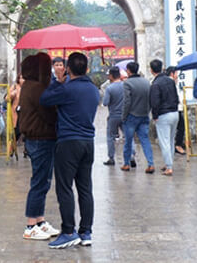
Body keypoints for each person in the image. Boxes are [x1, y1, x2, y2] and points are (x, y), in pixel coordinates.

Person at [39, 52, 99, 249]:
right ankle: (86, 231)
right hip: (88, 143)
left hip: (68, 142)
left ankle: (68, 231)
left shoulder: (67, 89)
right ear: (87, 69)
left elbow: (45, 99)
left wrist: (58, 80)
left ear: (68, 69)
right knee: (85, 187)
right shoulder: (93, 89)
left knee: (64, 187)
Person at [17, 53, 60, 241]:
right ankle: (30, 225)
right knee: (39, 182)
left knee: (43, 181)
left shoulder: (30, 86)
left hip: (40, 139)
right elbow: (48, 114)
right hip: (41, 139)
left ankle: (40, 221)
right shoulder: (37, 88)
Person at [120, 61, 155, 173]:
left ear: (128, 71)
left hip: (131, 116)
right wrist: (147, 111)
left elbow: (127, 101)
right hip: (144, 115)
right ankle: (150, 164)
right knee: (145, 140)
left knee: (128, 141)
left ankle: (126, 164)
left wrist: (124, 116)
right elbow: (151, 99)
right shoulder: (146, 82)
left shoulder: (127, 83)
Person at [149, 59, 179, 176]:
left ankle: (169, 167)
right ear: (162, 68)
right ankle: (168, 163)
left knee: (164, 141)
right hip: (174, 113)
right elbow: (176, 97)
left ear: (151, 70)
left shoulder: (155, 84)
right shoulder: (170, 81)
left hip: (163, 115)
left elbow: (155, 102)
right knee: (171, 140)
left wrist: (155, 115)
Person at [100, 66, 124, 166]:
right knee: (128, 136)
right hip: (125, 115)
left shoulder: (110, 88)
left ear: (111, 76)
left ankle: (111, 158)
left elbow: (105, 102)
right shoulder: (125, 86)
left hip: (113, 115)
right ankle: (131, 155)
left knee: (110, 137)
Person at [167, 66, 187, 155]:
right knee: (181, 127)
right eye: (176, 74)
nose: (177, 76)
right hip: (175, 109)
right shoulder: (170, 82)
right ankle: (177, 145)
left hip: (174, 109)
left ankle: (176, 144)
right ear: (172, 73)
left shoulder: (171, 82)